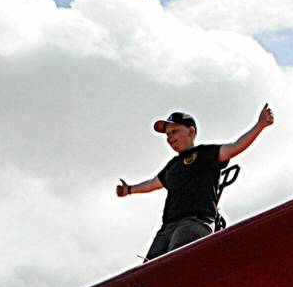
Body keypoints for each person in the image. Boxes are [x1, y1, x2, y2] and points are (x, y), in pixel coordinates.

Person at [117, 105, 274, 260]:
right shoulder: (172, 166)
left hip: (195, 221)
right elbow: (152, 183)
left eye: (174, 131)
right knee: (151, 266)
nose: (170, 138)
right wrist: (129, 189)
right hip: (168, 227)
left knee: (175, 259)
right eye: (167, 135)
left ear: (191, 131)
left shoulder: (205, 154)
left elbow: (236, 146)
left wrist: (259, 125)